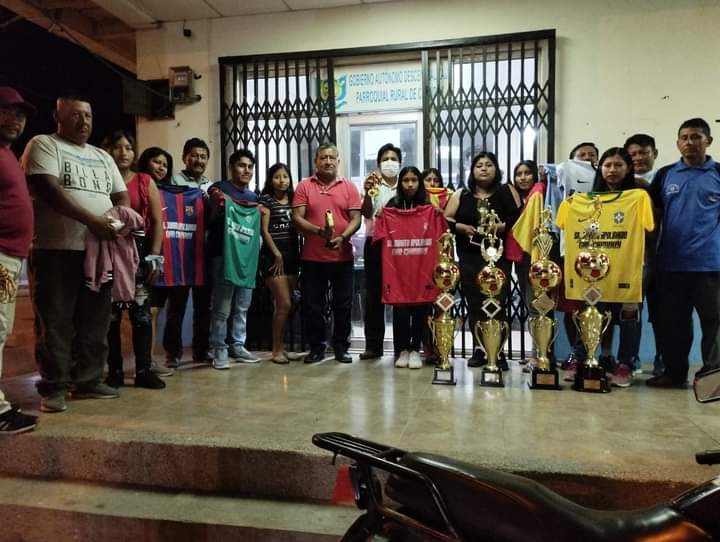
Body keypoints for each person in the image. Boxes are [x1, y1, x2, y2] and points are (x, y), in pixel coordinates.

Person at [22, 94, 130, 413]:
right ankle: (54, 386)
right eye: (75, 115)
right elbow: (49, 190)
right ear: (58, 117)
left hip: (98, 250)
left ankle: (88, 379)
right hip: (55, 250)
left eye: (88, 115)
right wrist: (92, 220)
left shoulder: (102, 156)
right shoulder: (44, 145)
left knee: (96, 320)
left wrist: (115, 221)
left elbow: (121, 196)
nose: (84, 121)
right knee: (55, 321)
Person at [648, 118, 720, 388]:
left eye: (696, 137)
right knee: (674, 324)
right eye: (685, 137)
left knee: (714, 322)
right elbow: (654, 218)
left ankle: (713, 377)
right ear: (678, 143)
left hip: (710, 265)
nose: (690, 142)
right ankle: (674, 374)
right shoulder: (665, 175)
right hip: (671, 265)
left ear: (708, 141)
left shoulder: (718, 173)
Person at [101, 131, 169, 389]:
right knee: (111, 317)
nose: (123, 152)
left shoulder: (144, 180)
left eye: (128, 147)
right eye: (117, 147)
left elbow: (157, 221)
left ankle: (143, 370)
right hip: (107, 251)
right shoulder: (100, 178)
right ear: (106, 150)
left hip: (139, 253)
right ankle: (115, 371)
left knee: (141, 314)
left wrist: (155, 256)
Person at [444, 151, 521, 368]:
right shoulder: (462, 194)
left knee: (498, 303)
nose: (484, 169)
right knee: (475, 303)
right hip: (469, 257)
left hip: (498, 258)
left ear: (496, 169)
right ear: (472, 171)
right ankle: (479, 349)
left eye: (488, 165)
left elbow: (518, 216)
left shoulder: (506, 191)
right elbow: (446, 218)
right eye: (479, 165)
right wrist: (461, 227)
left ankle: (498, 351)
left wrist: (502, 226)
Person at [292, 143, 362, 363]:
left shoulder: (349, 187)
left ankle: (341, 347)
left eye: (332, 158)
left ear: (338, 161)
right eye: (323, 158)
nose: (328, 162)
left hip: (343, 257)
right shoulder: (305, 185)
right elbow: (297, 217)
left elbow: (356, 219)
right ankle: (317, 347)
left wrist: (343, 237)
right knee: (313, 306)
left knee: (343, 305)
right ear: (316, 161)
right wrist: (318, 231)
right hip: (312, 258)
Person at [588, 147, 648, 387]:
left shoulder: (639, 196)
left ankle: (626, 363)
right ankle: (595, 358)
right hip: (598, 268)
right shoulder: (589, 200)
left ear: (628, 168)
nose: (612, 170)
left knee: (629, 316)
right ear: (600, 169)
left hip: (630, 267)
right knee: (596, 312)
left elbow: (650, 229)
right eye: (607, 165)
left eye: (618, 165)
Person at [0, 86, 38, 433]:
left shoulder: (8, 154)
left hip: (10, 256)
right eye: (7, 111)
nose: (16, 119)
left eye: (21, 114)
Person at [206, 149, 262, 369]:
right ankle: (218, 347)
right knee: (222, 305)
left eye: (250, 167)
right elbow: (211, 214)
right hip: (223, 255)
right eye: (241, 165)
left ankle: (238, 345)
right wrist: (218, 200)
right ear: (231, 167)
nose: (246, 170)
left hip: (246, 258)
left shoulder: (253, 198)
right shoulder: (219, 189)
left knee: (242, 305)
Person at [163, 138, 213, 366]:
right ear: (184, 157)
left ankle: (201, 351)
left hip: (204, 253)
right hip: (180, 253)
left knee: (204, 307)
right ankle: (172, 353)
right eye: (194, 155)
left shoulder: (211, 187)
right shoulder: (173, 181)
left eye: (203, 156)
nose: (198, 160)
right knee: (177, 306)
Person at [380, 166, 434, 369]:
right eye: (405, 180)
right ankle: (402, 349)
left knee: (420, 309)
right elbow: (379, 234)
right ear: (400, 183)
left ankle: (415, 350)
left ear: (419, 183)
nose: (410, 184)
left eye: (414, 180)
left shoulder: (427, 205)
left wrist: (437, 214)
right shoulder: (392, 205)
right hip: (397, 268)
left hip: (421, 267)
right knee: (400, 310)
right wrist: (380, 216)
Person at [359, 143, 402, 360]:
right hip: (375, 244)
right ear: (378, 164)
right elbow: (366, 213)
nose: (390, 162)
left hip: (399, 246)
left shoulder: (406, 184)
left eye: (393, 159)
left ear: (400, 163)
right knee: (373, 295)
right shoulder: (372, 184)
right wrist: (368, 193)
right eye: (385, 159)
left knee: (401, 295)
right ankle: (373, 346)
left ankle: (402, 347)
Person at [625, 133, 663, 376]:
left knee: (662, 312)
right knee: (631, 311)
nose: (638, 158)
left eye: (644, 152)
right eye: (633, 154)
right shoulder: (622, 182)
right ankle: (630, 359)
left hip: (662, 255)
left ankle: (663, 358)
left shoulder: (664, 178)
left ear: (654, 154)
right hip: (631, 258)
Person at [259, 163, 302, 364]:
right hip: (273, 257)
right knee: (284, 303)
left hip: (292, 255)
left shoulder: (294, 199)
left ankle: (282, 347)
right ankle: (276, 351)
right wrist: (276, 253)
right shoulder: (266, 200)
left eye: (285, 176)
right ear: (271, 180)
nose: (282, 180)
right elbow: (264, 230)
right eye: (277, 177)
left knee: (285, 306)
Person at [137, 146, 175, 370]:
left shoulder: (170, 192)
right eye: (157, 162)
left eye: (165, 165)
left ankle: (149, 360)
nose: (161, 168)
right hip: (139, 252)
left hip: (160, 256)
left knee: (154, 309)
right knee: (148, 310)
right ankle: (147, 360)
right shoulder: (136, 185)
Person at [506, 160, 543, 368]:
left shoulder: (539, 192)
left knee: (537, 307)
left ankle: (539, 356)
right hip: (520, 258)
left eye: (527, 173)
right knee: (531, 306)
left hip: (535, 257)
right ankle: (536, 353)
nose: (522, 177)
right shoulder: (517, 198)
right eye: (518, 174)